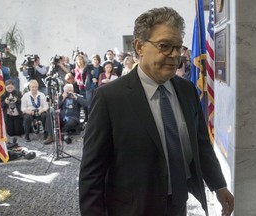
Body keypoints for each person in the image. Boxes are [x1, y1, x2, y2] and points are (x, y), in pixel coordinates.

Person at [79, 7, 234, 216]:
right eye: (165, 46)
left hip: (178, 206)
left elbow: (201, 145)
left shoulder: (187, 91)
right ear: (139, 46)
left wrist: (219, 185)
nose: (174, 55)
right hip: (132, 209)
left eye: (178, 47)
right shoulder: (109, 98)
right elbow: (92, 175)